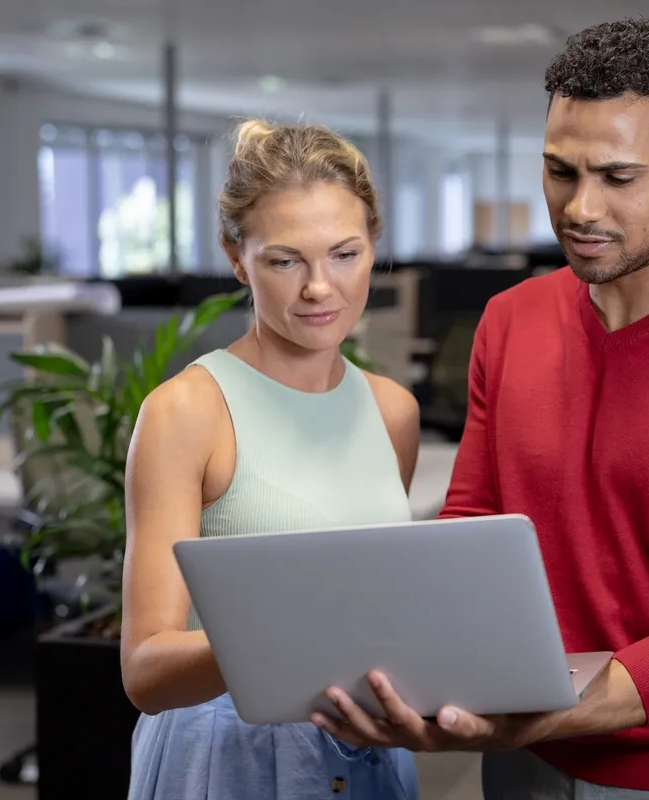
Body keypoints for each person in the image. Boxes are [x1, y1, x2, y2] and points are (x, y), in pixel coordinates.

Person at [314, 17, 649, 800]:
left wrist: (543, 715)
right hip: (522, 761)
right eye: (560, 171)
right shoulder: (511, 321)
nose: (580, 208)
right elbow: (473, 534)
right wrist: (421, 677)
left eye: (619, 177)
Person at [120, 119, 421, 800]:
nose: (320, 288)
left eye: (345, 254)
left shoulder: (391, 412)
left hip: (369, 744)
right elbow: (145, 669)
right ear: (237, 257)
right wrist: (298, 636)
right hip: (230, 755)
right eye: (285, 261)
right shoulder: (188, 412)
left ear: (374, 243)